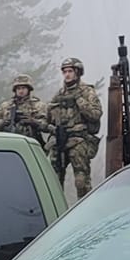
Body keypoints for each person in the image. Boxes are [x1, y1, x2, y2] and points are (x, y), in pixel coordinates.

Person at [44, 58, 102, 198]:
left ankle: (86, 211)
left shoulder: (86, 91)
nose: (67, 75)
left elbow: (95, 114)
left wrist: (79, 100)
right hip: (60, 140)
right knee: (54, 182)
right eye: (64, 71)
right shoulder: (59, 94)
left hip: (78, 140)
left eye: (70, 71)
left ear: (77, 72)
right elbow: (47, 120)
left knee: (81, 181)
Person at [0, 73, 45, 143]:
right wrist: (3, 122)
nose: (21, 91)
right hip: (9, 140)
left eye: (23, 88)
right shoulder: (6, 106)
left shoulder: (38, 105)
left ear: (29, 89)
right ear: (15, 90)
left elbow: (46, 125)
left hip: (31, 141)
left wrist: (33, 122)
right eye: (18, 88)